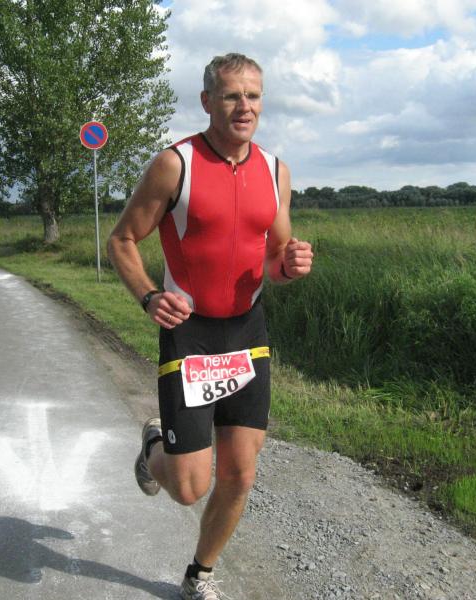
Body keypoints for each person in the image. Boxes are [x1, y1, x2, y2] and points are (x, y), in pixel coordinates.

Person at [107, 52, 313, 600]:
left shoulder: (276, 171)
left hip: (246, 333)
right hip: (191, 334)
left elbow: (275, 257)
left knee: (240, 474)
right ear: (207, 102)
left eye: (253, 95)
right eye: (231, 96)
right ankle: (154, 448)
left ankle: (200, 574)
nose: (244, 106)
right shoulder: (175, 164)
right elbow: (122, 239)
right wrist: (149, 295)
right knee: (188, 487)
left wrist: (289, 266)